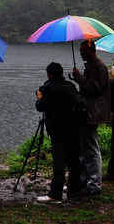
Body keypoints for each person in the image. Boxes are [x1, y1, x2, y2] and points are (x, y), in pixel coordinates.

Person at [35, 62, 83, 203]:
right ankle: (75, 187)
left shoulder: (49, 87)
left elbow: (42, 107)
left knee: (59, 160)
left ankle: (55, 194)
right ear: (61, 73)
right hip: (74, 126)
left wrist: (39, 98)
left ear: (49, 74)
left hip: (58, 128)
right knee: (74, 158)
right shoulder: (71, 86)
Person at [71, 40, 111, 195]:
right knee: (83, 149)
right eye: (80, 50)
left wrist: (79, 78)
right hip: (86, 112)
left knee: (92, 149)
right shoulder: (91, 66)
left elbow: (95, 88)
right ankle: (85, 180)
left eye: (84, 50)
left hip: (93, 113)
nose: (81, 53)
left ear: (92, 50)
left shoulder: (99, 67)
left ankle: (94, 184)